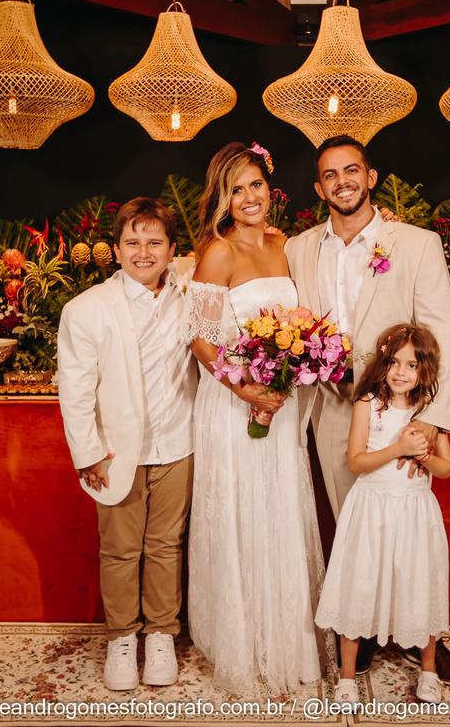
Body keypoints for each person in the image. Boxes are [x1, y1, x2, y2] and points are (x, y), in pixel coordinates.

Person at [285, 134, 450, 685]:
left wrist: (430, 419)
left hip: (399, 410)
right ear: (319, 188)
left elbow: (442, 331)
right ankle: (362, 629)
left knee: (405, 523)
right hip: (331, 405)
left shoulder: (415, 243)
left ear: (370, 178)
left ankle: (420, 637)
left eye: (352, 170)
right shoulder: (297, 248)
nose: (341, 181)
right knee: (355, 527)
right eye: (330, 174)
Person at [184, 141, 328, 696]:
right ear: (222, 198)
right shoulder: (217, 253)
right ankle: (243, 643)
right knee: (242, 512)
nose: (249, 197)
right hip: (233, 404)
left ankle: (286, 639)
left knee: (279, 511)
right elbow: (200, 338)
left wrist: (287, 375)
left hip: (280, 405)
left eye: (256, 185)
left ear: (271, 188)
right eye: (236, 189)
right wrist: (245, 389)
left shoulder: (283, 245)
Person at [56, 198, 196, 692]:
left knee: (165, 546)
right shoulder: (86, 309)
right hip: (116, 451)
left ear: (173, 250)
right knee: (119, 549)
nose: (144, 252)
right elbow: (74, 389)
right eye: (132, 242)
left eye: (155, 242)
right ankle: (121, 638)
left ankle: (160, 636)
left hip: (178, 442)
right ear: (115, 250)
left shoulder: (190, 292)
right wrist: (87, 452)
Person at [314, 324, 450, 705]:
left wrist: (424, 456)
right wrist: (399, 449)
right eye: (394, 362)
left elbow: (446, 468)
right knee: (359, 586)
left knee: (418, 585)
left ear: (425, 370)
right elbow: (356, 461)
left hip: (414, 513)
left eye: (412, 365)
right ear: (383, 362)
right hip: (370, 510)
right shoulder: (368, 403)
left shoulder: (429, 411)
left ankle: (428, 671)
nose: (400, 372)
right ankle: (346, 679)